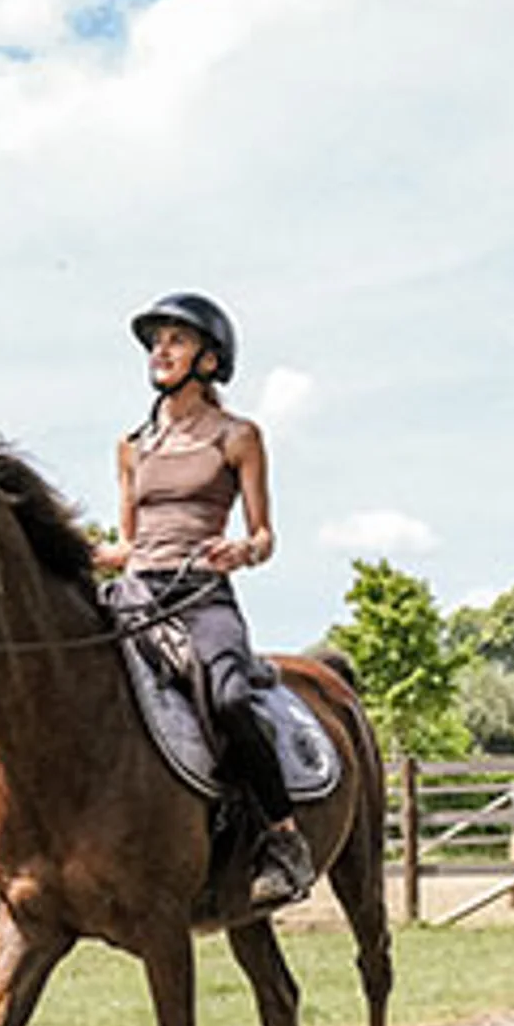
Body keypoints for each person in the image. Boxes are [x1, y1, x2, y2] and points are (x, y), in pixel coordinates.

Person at [93, 291, 315, 910]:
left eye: (177, 340)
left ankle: (281, 837)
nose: (161, 351)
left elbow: (266, 535)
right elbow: (130, 540)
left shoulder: (237, 436)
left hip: (202, 595)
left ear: (210, 361)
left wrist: (243, 550)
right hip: (137, 592)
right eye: (157, 341)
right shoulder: (131, 446)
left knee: (228, 697)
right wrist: (94, 553)